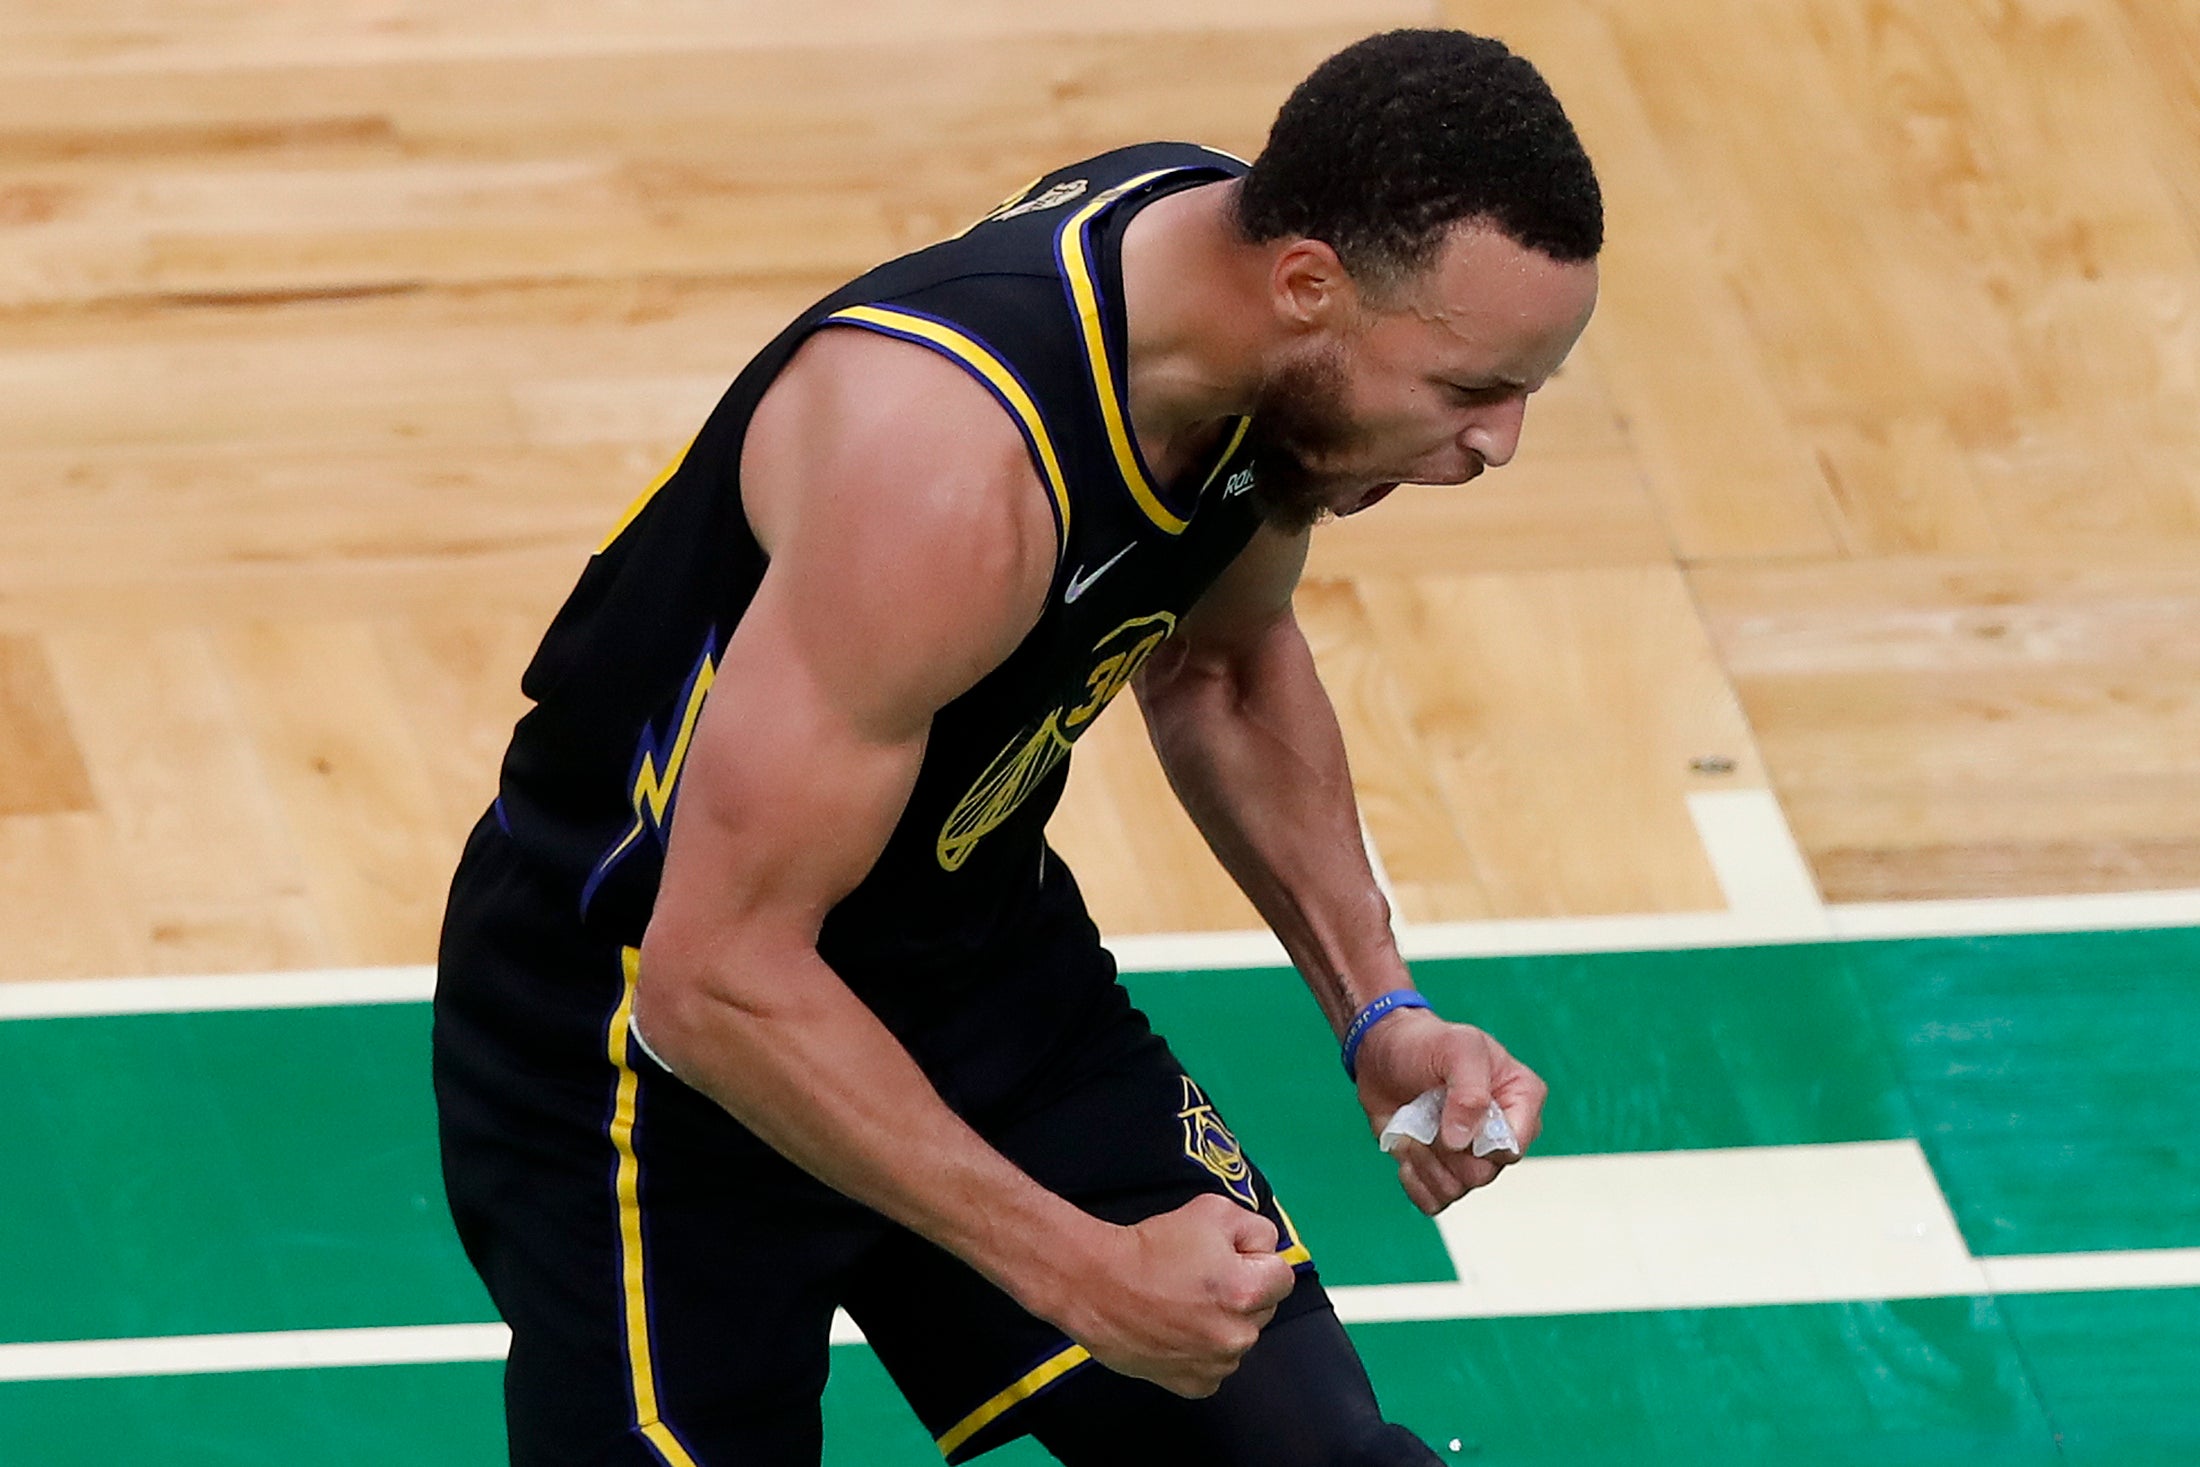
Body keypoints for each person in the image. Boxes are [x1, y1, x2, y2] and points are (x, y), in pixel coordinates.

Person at [432, 26, 1602, 1467]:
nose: (1501, 446)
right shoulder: (946, 480)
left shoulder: (1253, 328)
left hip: (971, 969)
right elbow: (713, 981)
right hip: (640, 1045)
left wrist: (1378, 1010)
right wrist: (1077, 1271)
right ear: (1309, 288)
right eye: (1470, 390)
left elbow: (1224, 664)